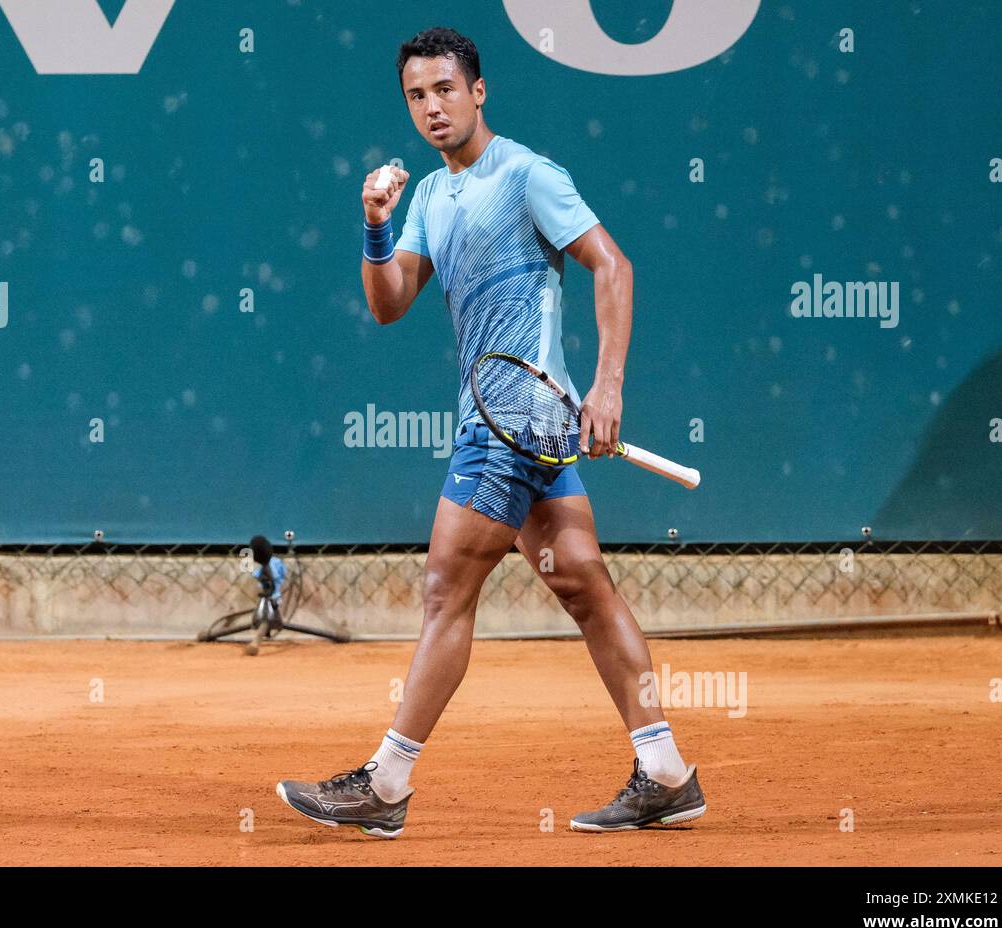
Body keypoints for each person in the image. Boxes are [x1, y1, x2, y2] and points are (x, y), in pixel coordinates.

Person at [276, 27, 705, 837]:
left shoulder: (528, 175)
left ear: (479, 91)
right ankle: (666, 771)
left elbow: (613, 264)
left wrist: (608, 387)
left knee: (446, 589)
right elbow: (389, 300)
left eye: (445, 89)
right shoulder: (433, 197)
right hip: (527, 423)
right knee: (583, 581)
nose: (432, 107)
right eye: (416, 95)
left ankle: (386, 784)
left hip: (508, 427)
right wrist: (375, 222)